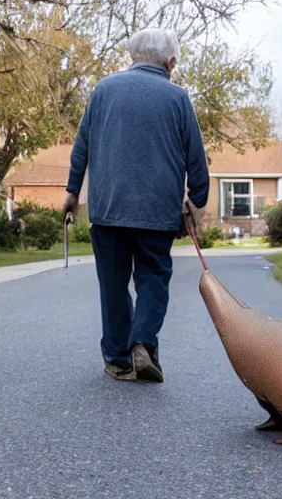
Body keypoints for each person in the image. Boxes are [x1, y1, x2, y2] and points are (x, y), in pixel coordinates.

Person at [63, 28, 209, 383]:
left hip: (109, 208)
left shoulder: (103, 90)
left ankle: (117, 359)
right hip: (157, 211)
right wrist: (197, 200)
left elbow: (82, 145)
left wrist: (71, 191)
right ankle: (143, 342)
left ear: (132, 55)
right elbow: (196, 157)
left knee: (112, 284)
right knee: (153, 279)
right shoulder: (177, 98)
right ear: (170, 62)